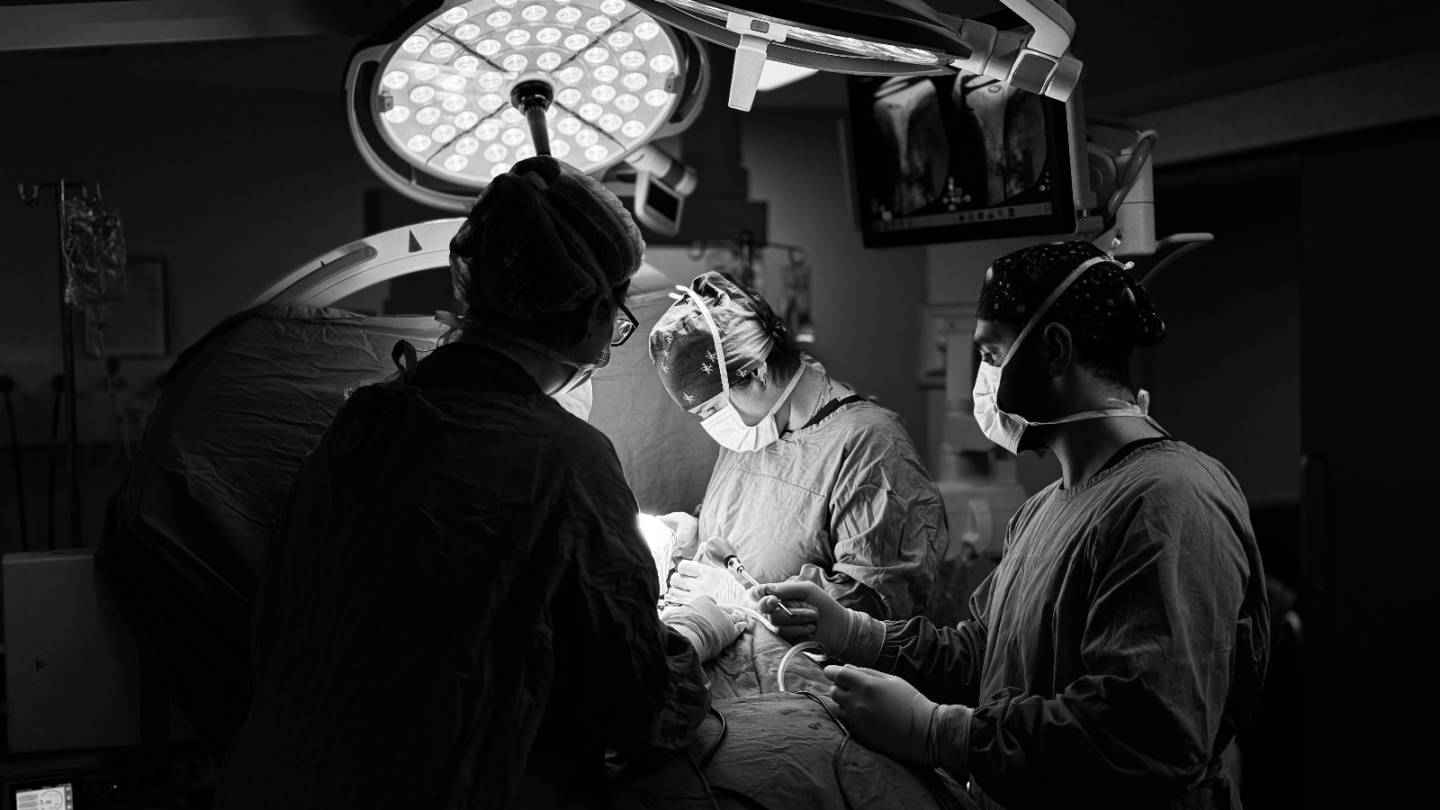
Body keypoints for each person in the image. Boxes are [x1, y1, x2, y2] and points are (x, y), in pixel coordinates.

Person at [213, 157, 746, 810]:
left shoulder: (366, 421)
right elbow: (635, 709)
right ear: (590, 313)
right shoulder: (565, 460)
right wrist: (695, 631)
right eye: (617, 311)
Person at [753, 241, 1271, 809]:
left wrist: (940, 733)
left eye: (992, 352)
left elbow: (1143, 737)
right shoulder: (1044, 509)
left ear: (1055, 350)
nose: (982, 378)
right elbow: (985, 653)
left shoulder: (1171, 500)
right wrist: (856, 634)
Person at [648, 271, 946, 621]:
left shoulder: (870, 446)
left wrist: (743, 599)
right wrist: (694, 531)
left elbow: (877, 605)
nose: (712, 423)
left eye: (713, 409)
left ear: (756, 372)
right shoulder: (755, 429)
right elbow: (753, 529)